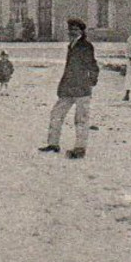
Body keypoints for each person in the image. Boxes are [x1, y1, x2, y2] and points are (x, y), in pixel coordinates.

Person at [39, 19, 99, 159]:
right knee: (56, 114)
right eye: (71, 29)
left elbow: (93, 65)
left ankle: (80, 148)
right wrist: (62, 85)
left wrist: (91, 81)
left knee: (81, 119)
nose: (72, 32)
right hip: (68, 88)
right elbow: (68, 68)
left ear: (81, 31)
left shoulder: (85, 46)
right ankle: (53, 144)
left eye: (76, 30)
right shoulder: (71, 46)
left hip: (82, 88)